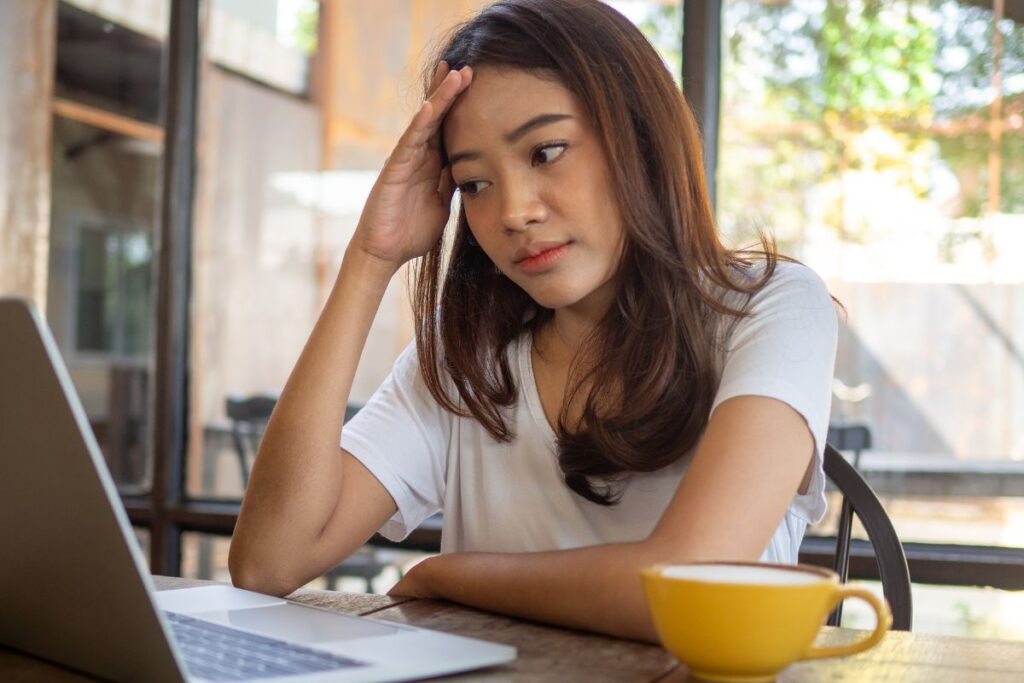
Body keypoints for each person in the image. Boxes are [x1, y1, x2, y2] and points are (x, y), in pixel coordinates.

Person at [229, 0, 838, 643]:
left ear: (638, 136)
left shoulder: (770, 307)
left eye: (545, 152)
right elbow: (269, 561)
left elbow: (692, 584)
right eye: (474, 184)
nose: (514, 211)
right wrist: (369, 258)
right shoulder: (467, 355)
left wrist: (450, 576)